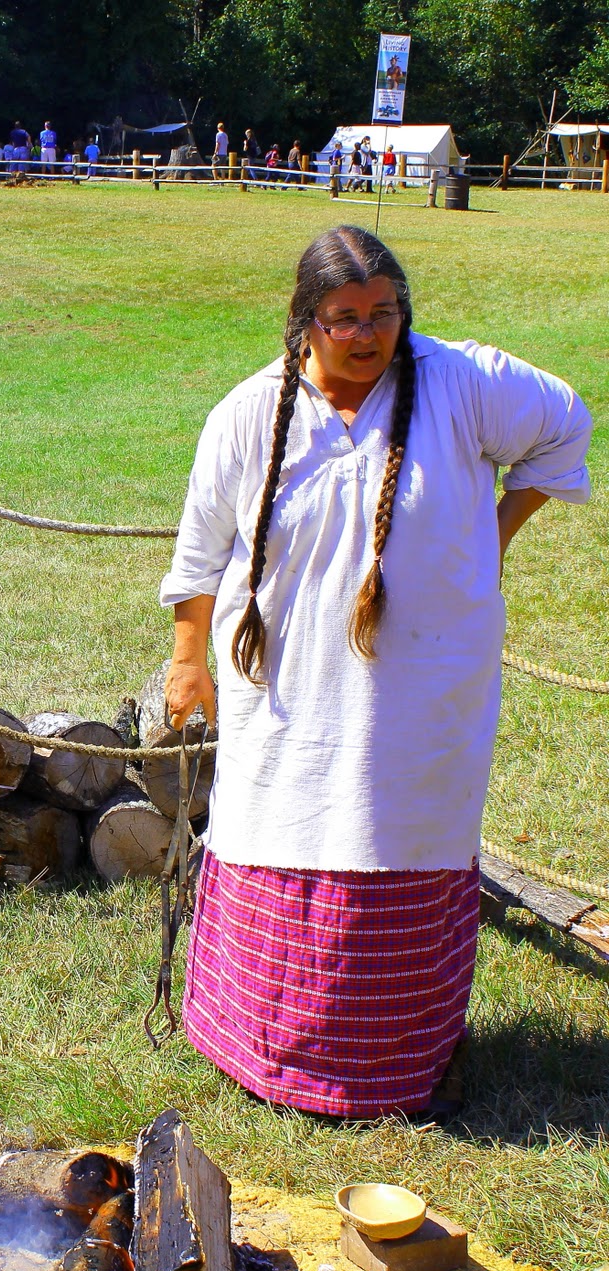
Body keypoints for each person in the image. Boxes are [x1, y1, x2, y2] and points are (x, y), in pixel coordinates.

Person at [159, 225, 591, 1120]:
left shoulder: (460, 382)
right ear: (303, 323)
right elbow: (198, 550)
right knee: (280, 821)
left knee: (400, 830)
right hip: (282, 686)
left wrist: (489, 538)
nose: (367, 336)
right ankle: (263, 1054)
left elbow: (565, 424)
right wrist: (185, 659)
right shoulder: (248, 411)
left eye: (383, 314)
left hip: (421, 684)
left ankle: (395, 1063)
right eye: (344, 318)